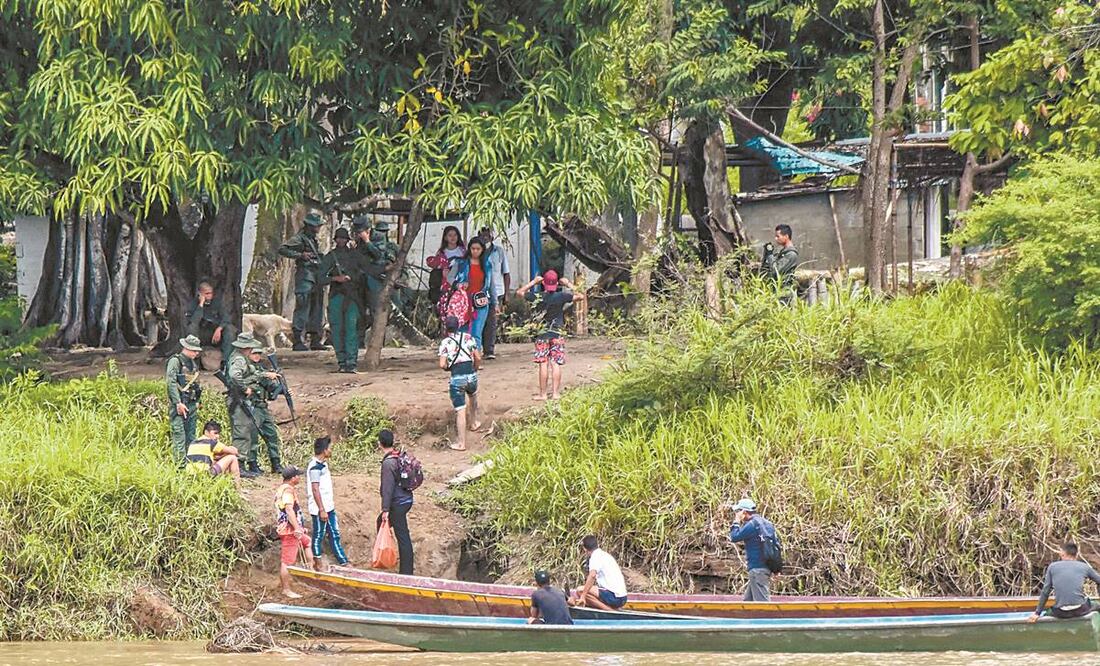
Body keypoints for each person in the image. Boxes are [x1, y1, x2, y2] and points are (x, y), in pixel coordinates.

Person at [515, 270, 586, 400]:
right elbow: (581, 296)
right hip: (557, 333)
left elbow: (519, 292)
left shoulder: (537, 296)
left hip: (542, 335)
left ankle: (543, 394)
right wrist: (568, 283)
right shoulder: (561, 296)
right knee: (555, 363)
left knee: (543, 363)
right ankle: (555, 393)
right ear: (557, 283)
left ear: (544, 283)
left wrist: (534, 282)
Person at [226, 333, 284, 475]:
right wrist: (245, 388)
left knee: (259, 433)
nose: (255, 353)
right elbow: (234, 376)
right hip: (241, 401)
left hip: (251, 402)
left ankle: (266, 464)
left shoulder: (248, 362)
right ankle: (240, 466)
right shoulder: (239, 359)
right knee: (243, 434)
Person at [318, 227, 367, 373]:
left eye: (344, 238)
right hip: (336, 296)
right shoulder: (330, 257)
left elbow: (364, 275)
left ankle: (351, 363)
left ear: (347, 240)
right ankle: (342, 363)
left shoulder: (355, 256)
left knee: (351, 330)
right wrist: (336, 278)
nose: (341, 241)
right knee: (337, 330)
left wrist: (353, 279)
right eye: (339, 238)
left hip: (353, 297)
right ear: (335, 240)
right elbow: (320, 278)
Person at [278, 212, 326, 351]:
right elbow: (282, 249)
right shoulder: (299, 238)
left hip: (316, 277)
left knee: (317, 308)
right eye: (317, 225)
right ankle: (298, 340)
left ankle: (315, 339)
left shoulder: (313, 240)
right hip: (305, 277)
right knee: (302, 308)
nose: (319, 228)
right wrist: (300, 255)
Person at [437, 315, 482, 451]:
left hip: (457, 378)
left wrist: (448, 367)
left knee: (460, 410)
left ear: (446, 328)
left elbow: (442, 364)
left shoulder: (445, 343)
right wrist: (475, 368)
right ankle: (474, 422)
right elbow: (478, 357)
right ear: (459, 325)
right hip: (471, 375)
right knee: (473, 395)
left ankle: (461, 443)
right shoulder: (468, 337)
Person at [1028, 543, 1100, 622]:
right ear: (1076, 555)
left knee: (1047, 613)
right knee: (1097, 605)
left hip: (1061, 612)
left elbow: (1046, 591)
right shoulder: (1084, 566)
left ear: (1062, 554)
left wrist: (1037, 613)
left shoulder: (1052, 567)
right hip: (1080, 610)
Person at [307, 436, 350, 570]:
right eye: (330, 448)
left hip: (328, 506)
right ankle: (317, 562)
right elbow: (315, 489)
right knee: (318, 535)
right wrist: (321, 509)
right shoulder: (315, 467)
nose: (331, 450)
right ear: (324, 450)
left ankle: (343, 561)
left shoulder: (323, 465)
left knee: (334, 533)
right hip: (320, 508)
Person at [378, 429, 415, 575]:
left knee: (403, 537)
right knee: (381, 523)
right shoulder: (398, 456)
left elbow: (387, 488)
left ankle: (406, 572)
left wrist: (385, 510)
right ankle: (386, 554)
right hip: (406, 499)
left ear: (379, 443)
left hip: (397, 503)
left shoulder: (388, 463)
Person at [728, 498, 777, 601]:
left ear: (744, 512)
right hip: (765, 568)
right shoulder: (768, 524)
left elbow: (734, 537)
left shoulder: (751, 525)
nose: (737, 513)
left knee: (762, 604)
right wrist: (776, 568)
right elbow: (776, 545)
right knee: (748, 602)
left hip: (757, 570)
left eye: (738, 511)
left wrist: (736, 522)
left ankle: (767, 613)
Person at [166, 335, 203, 465]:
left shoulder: (193, 363)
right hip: (180, 404)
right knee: (179, 436)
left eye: (197, 350)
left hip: (191, 404)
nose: (196, 353)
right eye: (194, 350)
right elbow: (171, 383)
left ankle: (190, 465)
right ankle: (180, 467)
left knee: (191, 436)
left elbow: (196, 384)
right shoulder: (175, 361)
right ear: (186, 348)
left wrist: (198, 401)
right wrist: (178, 403)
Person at [274, 465, 310, 599]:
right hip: (289, 531)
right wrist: (297, 528)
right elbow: (289, 510)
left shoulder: (282, 489)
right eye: (298, 476)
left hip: (290, 528)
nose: (299, 478)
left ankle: (311, 572)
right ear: (293, 478)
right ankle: (286, 589)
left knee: (307, 542)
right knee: (287, 561)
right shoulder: (288, 491)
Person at [452, 236, 493, 349]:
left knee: (476, 331)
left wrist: (495, 302)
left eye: (478, 249)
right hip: (464, 301)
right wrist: (457, 285)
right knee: (462, 330)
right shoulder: (461, 263)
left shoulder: (487, 265)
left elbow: (491, 285)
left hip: (481, 301)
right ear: (469, 249)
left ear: (482, 250)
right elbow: (450, 278)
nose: (475, 251)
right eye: (473, 248)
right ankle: (463, 354)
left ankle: (476, 355)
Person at [184, 281, 238, 363]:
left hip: (215, 334)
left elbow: (226, 318)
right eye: (207, 293)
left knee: (230, 329)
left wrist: (219, 329)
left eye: (211, 293)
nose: (210, 296)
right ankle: (194, 360)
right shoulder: (193, 304)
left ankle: (226, 361)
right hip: (201, 333)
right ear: (200, 294)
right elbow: (194, 321)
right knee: (191, 328)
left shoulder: (217, 303)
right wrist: (201, 305)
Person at [184, 420, 253, 483]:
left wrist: (221, 455)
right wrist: (231, 449)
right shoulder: (211, 442)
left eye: (218, 434)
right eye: (215, 433)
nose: (217, 436)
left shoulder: (193, 442)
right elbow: (234, 452)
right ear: (206, 432)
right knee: (232, 457)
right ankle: (238, 488)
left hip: (190, 476)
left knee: (217, 461)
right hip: (205, 474)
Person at [479, 227, 511, 360]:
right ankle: (478, 348)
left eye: (488, 235)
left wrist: (507, 293)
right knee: (480, 320)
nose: (485, 237)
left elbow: (506, 273)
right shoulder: (476, 252)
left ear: (492, 236)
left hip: (496, 291)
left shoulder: (499, 251)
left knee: (492, 322)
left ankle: (489, 350)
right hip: (480, 291)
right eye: (483, 235)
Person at [572, 535, 628, 610]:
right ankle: (610, 608)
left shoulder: (595, 557)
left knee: (580, 590)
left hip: (616, 597)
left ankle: (609, 611)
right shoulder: (604, 555)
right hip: (622, 596)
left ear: (585, 549)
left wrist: (583, 596)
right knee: (588, 591)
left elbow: (592, 576)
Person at [759, 224, 799, 304]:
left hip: (784, 293)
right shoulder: (782, 253)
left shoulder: (791, 254)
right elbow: (766, 268)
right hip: (776, 290)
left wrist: (770, 254)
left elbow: (775, 270)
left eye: (778, 236)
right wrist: (766, 254)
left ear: (786, 236)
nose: (776, 239)